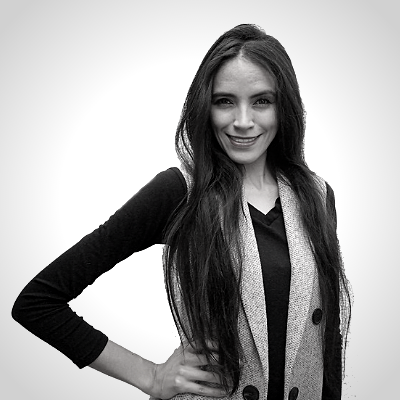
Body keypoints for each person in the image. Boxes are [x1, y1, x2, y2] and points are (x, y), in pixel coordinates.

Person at [12, 24, 351, 400]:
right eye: (225, 101)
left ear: (283, 107)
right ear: (205, 107)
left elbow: (327, 338)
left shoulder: (316, 195)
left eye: (261, 101)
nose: (242, 121)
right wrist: (150, 376)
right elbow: (38, 302)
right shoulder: (180, 192)